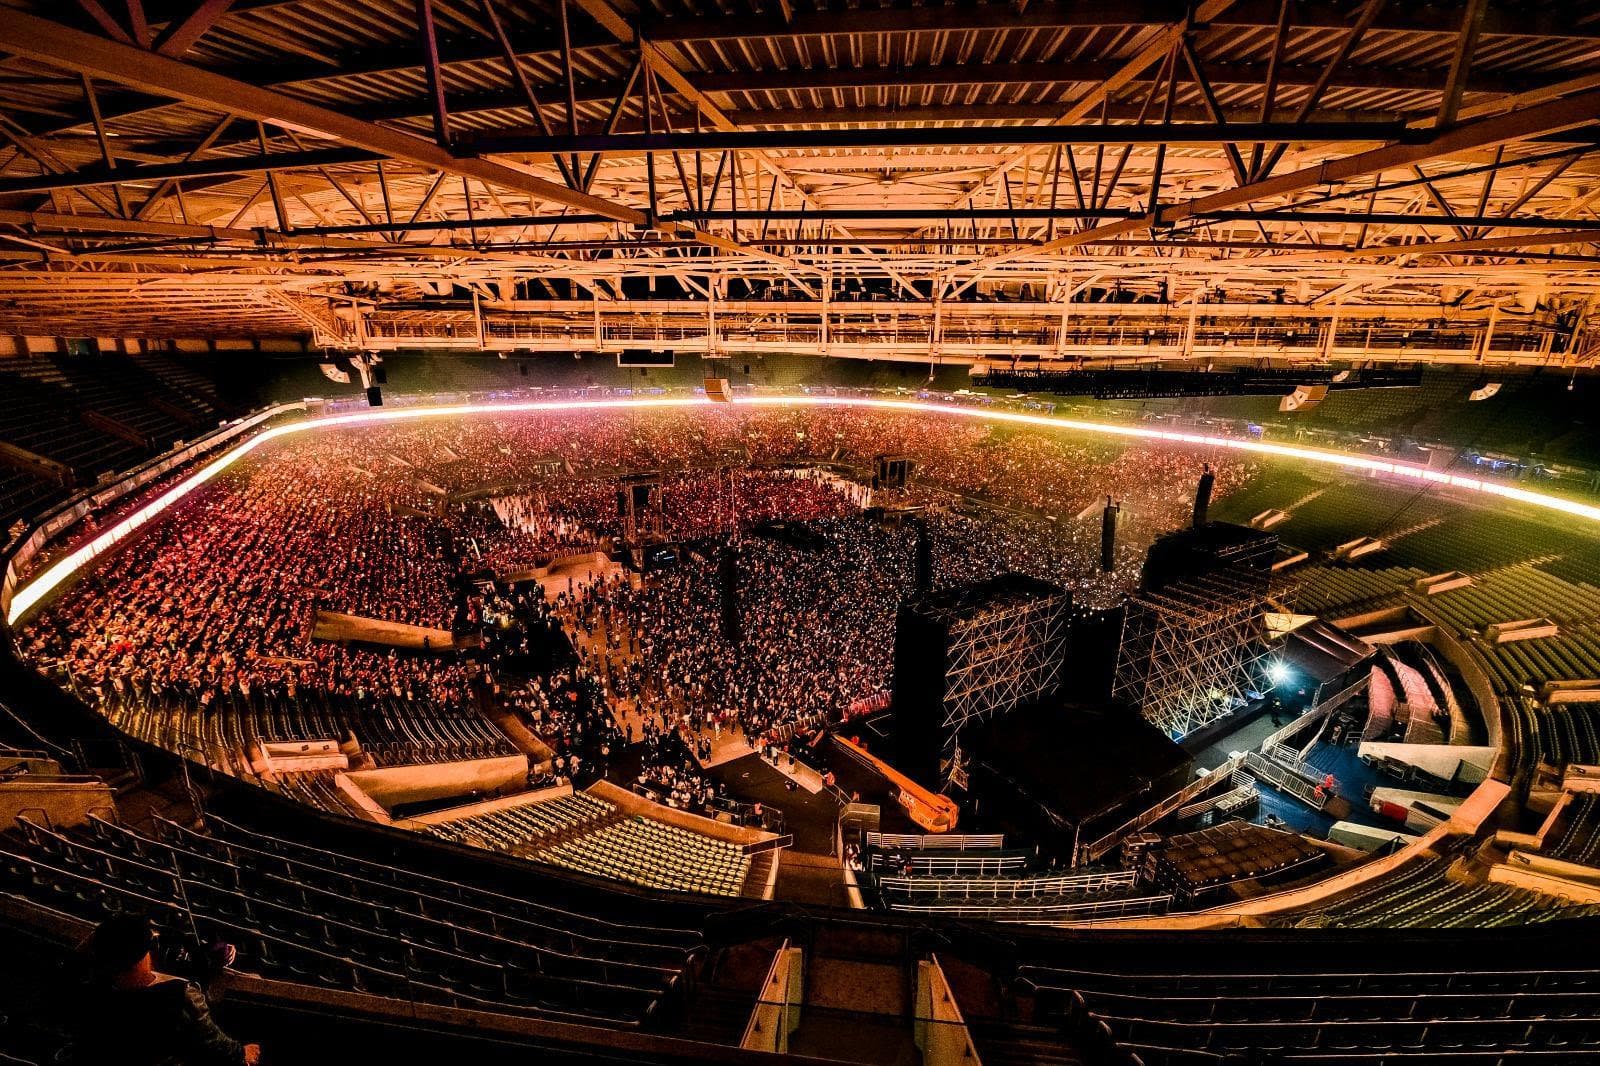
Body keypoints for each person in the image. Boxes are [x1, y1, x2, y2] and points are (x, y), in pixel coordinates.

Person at [74, 914, 261, 1065]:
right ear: (142, 954)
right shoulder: (180, 994)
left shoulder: (92, 987)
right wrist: (241, 1053)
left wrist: (104, 935)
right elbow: (210, 1038)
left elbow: (74, 961)